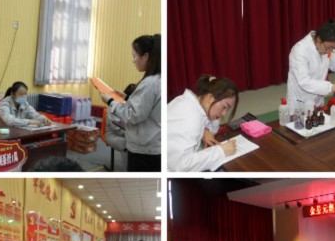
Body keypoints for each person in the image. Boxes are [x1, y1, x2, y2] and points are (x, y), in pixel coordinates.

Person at [101, 34, 161, 172]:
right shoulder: (157, 80)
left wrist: (110, 101)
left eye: (134, 56)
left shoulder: (150, 83)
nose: (133, 61)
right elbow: (147, 106)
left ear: (145, 56)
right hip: (151, 143)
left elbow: (132, 115)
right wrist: (127, 98)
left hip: (144, 149)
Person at [167, 75, 239, 172]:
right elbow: (181, 166)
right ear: (210, 98)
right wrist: (221, 151)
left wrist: (204, 130)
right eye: (224, 107)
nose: (224, 114)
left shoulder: (193, 103)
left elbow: (213, 129)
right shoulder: (189, 118)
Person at [287, 19, 335, 114]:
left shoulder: (326, 47)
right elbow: (304, 81)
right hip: (300, 103)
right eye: (329, 47)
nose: (330, 51)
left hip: (318, 102)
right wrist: (331, 87)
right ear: (318, 39)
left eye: (333, 48)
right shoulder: (300, 50)